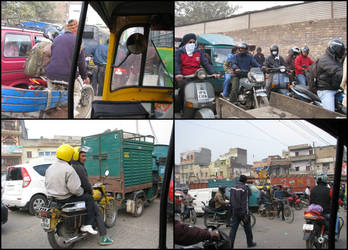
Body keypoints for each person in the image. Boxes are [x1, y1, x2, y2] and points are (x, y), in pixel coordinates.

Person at [45, 144, 97, 235]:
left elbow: (46, 183)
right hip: (65, 198)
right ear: (69, 155)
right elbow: (75, 189)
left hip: (52, 197)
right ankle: (88, 224)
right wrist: (82, 192)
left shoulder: (50, 168)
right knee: (89, 198)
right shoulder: (69, 169)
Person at [45, 19, 90, 117]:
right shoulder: (78, 41)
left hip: (51, 73)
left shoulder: (57, 38)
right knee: (76, 92)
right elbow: (81, 62)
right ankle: (72, 111)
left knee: (52, 91)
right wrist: (85, 77)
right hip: (68, 76)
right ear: (76, 29)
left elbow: (50, 54)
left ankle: (51, 107)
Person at [71, 147, 113, 245]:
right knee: (97, 212)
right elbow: (85, 183)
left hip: (74, 194)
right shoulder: (79, 167)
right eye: (82, 156)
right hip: (81, 193)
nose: (85, 158)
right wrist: (91, 190)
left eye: (85, 156)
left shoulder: (73, 165)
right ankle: (104, 237)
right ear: (77, 156)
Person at [175, 33, 219, 111]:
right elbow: (177, 63)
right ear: (185, 42)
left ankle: (212, 110)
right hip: (185, 77)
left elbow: (206, 63)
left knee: (208, 87)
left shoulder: (198, 52)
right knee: (183, 89)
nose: (192, 44)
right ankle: (181, 108)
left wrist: (213, 73)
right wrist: (178, 73)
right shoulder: (179, 52)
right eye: (190, 42)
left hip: (198, 76)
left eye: (193, 42)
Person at [309, 173, 344, 240]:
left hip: (312, 212)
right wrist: (341, 202)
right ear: (325, 180)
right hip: (325, 213)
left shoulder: (312, 190)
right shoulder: (329, 190)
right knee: (336, 217)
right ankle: (335, 233)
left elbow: (310, 199)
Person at [316, 39, 345, 111]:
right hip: (326, 90)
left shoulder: (335, 59)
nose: (342, 52)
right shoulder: (325, 60)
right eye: (340, 50)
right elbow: (338, 71)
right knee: (330, 113)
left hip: (335, 88)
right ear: (334, 49)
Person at [229, 175, 256, 248]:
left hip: (235, 212)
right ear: (245, 181)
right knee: (248, 228)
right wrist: (245, 214)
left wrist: (231, 212)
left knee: (233, 230)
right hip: (243, 213)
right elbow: (245, 202)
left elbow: (231, 200)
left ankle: (230, 246)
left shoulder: (233, 187)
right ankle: (250, 243)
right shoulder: (245, 188)